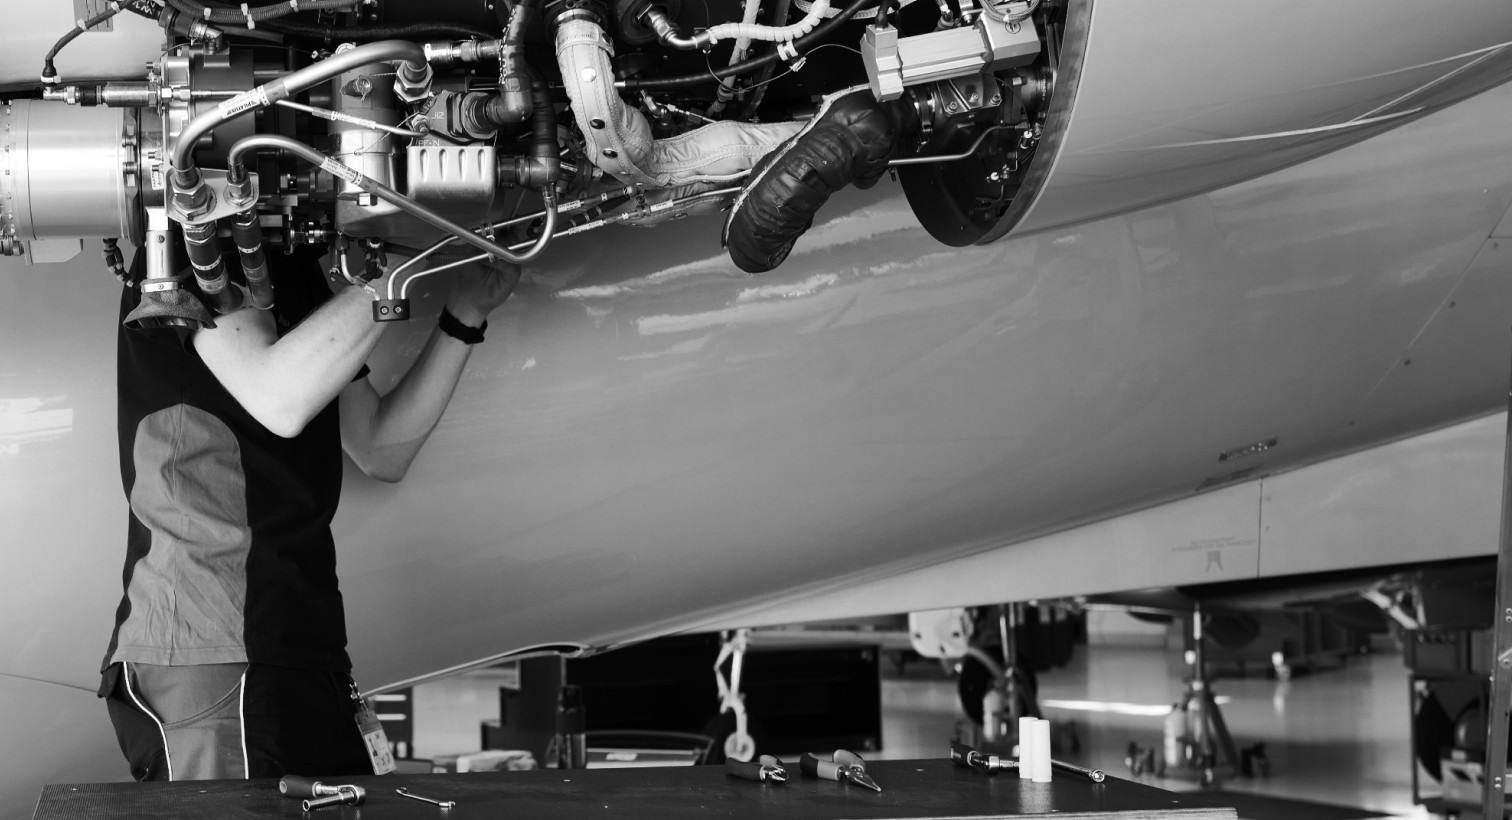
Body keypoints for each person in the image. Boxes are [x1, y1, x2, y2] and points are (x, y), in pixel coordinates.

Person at [97, 240, 517, 781]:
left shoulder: (292, 265)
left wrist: (465, 314)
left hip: (299, 643)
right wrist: (397, 264)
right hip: (211, 650)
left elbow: (380, 447)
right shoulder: (186, 237)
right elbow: (281, 397)